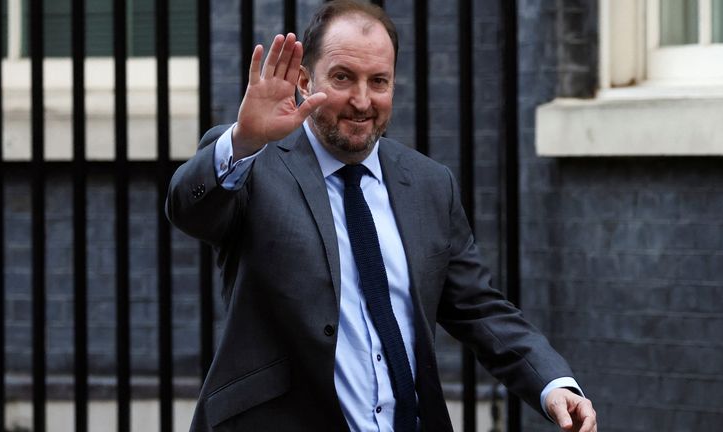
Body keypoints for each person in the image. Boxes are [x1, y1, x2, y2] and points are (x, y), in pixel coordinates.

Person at [166, 1, 597, 431]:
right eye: (342, 78)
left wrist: (552, 382)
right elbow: (188, 209)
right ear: (303, 80)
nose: (361, 100)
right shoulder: (253, 163)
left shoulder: (430, 184)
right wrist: (244, 140)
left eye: (379, 82)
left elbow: (478, 308)